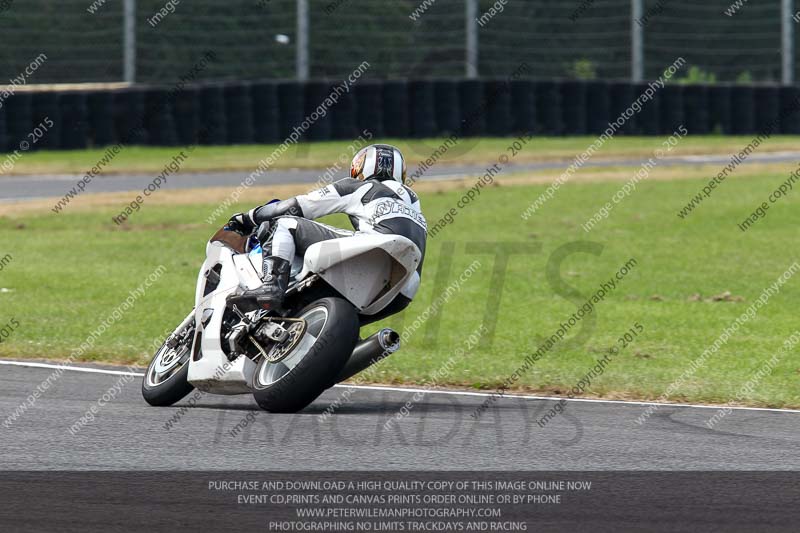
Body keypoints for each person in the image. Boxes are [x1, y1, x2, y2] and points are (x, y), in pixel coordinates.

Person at [225, 144, 426, 317]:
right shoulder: (414, 202)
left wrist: (247, 218)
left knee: (284, 223)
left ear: (360, 168)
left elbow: (296, 206)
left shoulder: (361, 186)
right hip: (405, 289)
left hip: (376, 251)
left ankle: (271, 286)